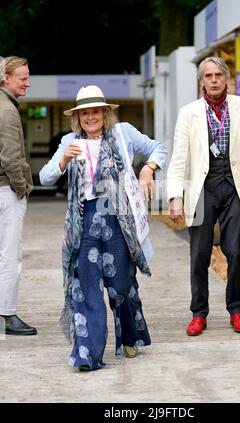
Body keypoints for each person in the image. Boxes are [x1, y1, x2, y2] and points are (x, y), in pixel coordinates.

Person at [39, 85, 167, 371]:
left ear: (105, 113)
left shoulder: (123, 133)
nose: (90, 117)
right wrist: (63, 160)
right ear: (78, 117)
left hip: (117, 218)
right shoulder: (70, 141)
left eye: (95, 111)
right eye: (85, 113)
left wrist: (149, 168)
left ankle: (131, 336)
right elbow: (45, 177)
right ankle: (88, 354)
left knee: (121, 285)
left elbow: (160, 147)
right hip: (84, 222)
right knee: (86, 289)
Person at [167, 57, 240, 336]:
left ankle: (236, 310)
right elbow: (179, 158)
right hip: (202, 190)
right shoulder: (189, 113)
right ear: (202, 81)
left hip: (234, 188)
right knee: (199, 254)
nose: (213, 80)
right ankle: (199, 314)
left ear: (226, 78)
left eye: (218, 75)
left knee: (236, 252)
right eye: (208, 75)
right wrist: (174, 196)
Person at [0, 56, 37, 336]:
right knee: (10, 256)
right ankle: (7, 315)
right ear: (6, 78)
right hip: (6, 192)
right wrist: (22, 187)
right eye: (22, 78)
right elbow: (11, 157)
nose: (27, 82)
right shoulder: (7, 110)